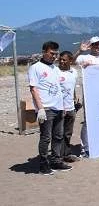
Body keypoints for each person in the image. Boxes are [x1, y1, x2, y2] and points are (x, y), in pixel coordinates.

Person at [28, 41, 71, 175]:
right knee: (46, 137)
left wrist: (63, 106)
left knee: (58, 136)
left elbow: (58, 87)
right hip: (46, 108)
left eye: (56, 54)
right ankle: (43, 164)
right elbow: (33, 89)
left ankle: (56, 161)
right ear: (44, 52)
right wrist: (40, 108)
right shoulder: (35, 68)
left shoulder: (55, 68)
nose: (54, 56)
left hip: (58, 108)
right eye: (52, 53)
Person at [58, 51, 80, 162]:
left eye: (64, 60)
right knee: (58, 134)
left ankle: (66, 154)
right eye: (60, 59)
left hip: (71, 107)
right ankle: (57, 157)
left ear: (70, 61)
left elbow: (72, 87)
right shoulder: (56, 72)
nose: (61, 61)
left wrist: (75, 98)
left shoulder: (74, 72)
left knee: (67, 133)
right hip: (59, 108)